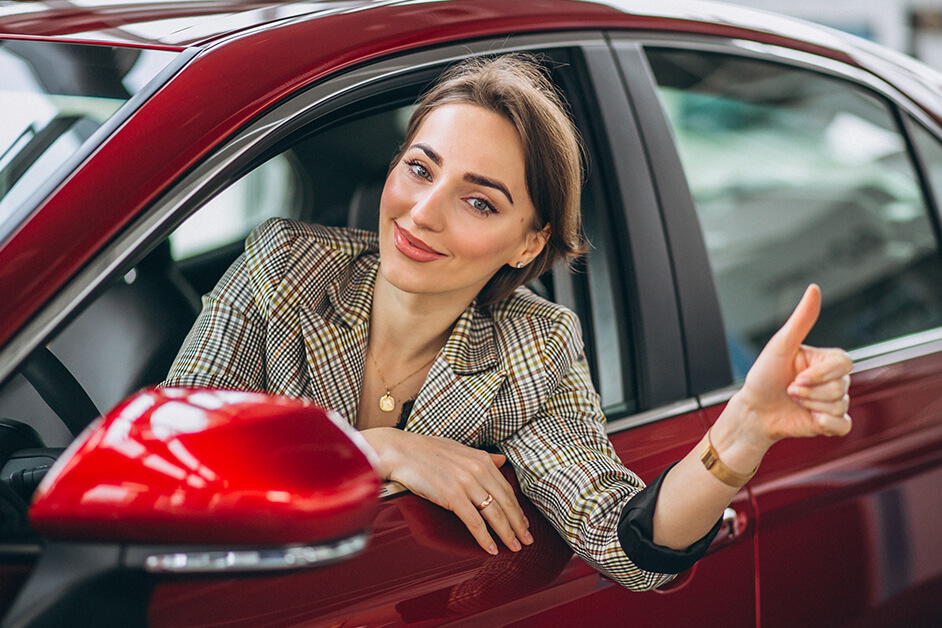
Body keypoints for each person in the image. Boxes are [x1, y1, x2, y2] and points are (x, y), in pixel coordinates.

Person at [162, 54, 852, 591]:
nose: (423, 211)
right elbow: (173, 450)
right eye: (419, 169)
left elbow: (626, 545)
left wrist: (743, 431)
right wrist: (376, 449)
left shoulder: (534, 348)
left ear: (528, 243)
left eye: (480, 203)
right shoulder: (286, 265)